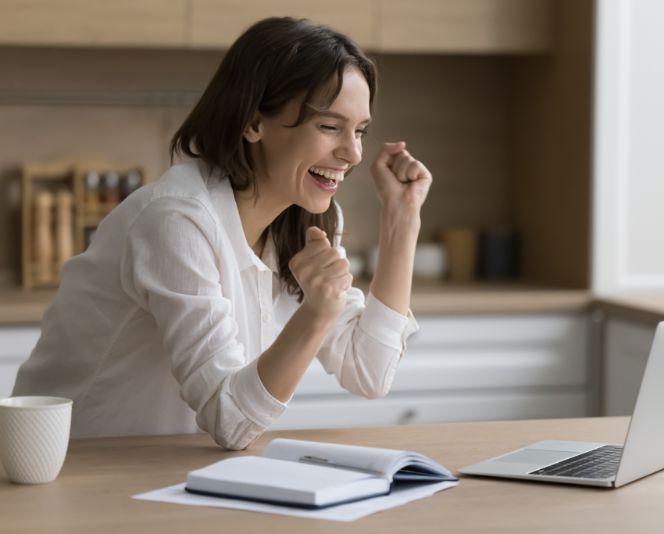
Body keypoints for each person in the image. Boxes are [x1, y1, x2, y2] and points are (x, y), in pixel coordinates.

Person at [13, 17, 432, 450]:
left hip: (182, 474)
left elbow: (370, 371)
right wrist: (316, 313)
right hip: (80, 472)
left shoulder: (305, 221)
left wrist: (402, 220)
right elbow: (230, 421)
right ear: (253, 124)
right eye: (329, 127)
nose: (352, 153)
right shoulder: (175, 221)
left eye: (359, 130)